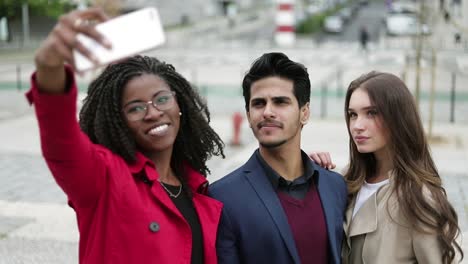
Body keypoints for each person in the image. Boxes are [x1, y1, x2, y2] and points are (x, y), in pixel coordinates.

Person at [26, 8, 225, 264]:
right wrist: (49, 67)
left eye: (162, 99)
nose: (153, 113)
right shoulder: (104, 178)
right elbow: (61, 142)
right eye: (135, 108)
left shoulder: (198, 188)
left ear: (180, 106)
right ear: (117, 122)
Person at [209, 52, 348, 264]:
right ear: (248, 115)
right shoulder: (222, 197)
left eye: (280, 102)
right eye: (258, 104)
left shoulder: (335, 186)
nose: (267, 112)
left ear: (304, 112)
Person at [311, 71, 464, 263]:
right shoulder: (347, 181)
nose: (357, 125)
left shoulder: (418, 198)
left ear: (398, 117)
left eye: (371, 113)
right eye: (352, 115)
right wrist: (311, 178)